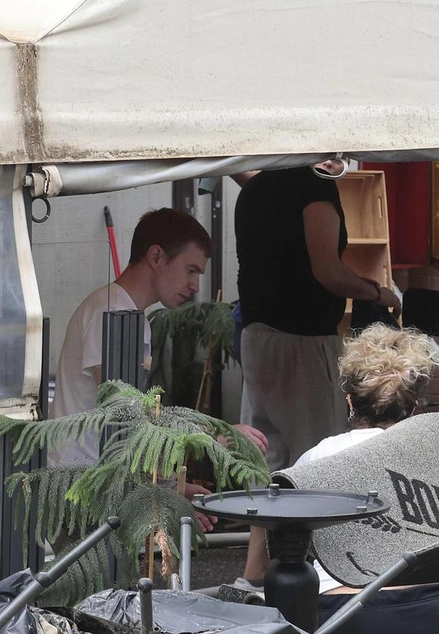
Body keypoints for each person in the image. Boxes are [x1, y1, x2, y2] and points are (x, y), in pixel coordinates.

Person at [234, 160, 401, 582]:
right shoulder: (310, 187)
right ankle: (321, 578)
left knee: (268, 461)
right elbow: (326, 270)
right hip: (302, 341)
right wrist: (375, 291)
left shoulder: (255, 188)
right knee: (316, 461)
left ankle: (255, 576)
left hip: (257, 336)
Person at [295, 323, 439, 634]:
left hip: (343, 621)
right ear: (415, 405)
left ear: (350, 400)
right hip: (435, 615)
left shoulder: (314, 460)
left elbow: (278, 557)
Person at [52, 208, 214, 463]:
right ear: (156, 256)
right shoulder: (109, 311)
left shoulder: (129, 314)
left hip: (101, 474)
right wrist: (205, 434)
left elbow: (131, 418)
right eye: (190, 270)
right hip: (80, 481)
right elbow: (125, 410)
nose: (195, 285)